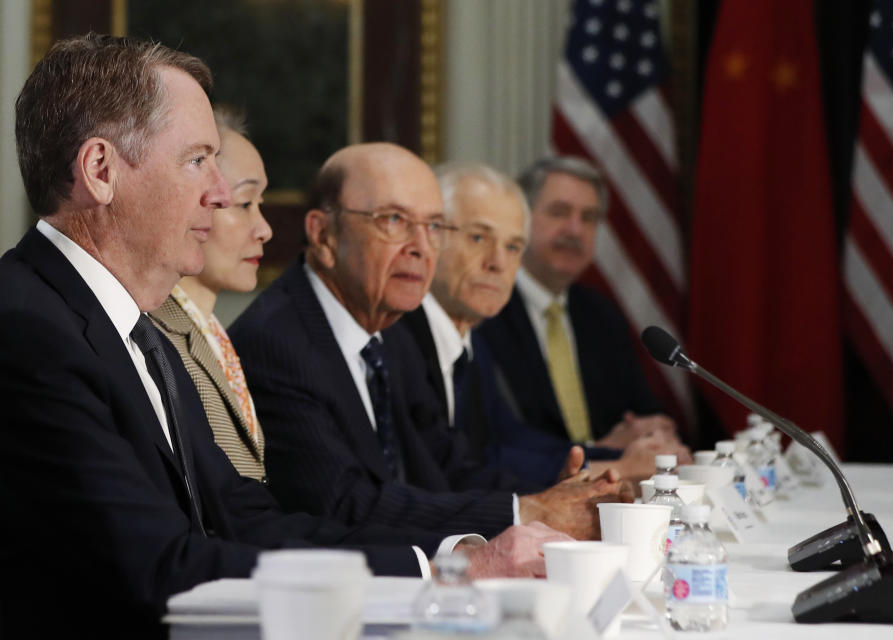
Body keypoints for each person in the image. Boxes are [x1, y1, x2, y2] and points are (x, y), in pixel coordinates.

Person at [0, 35, 563, 637]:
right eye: (197, 160)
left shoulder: (138, 329)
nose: (219, 193)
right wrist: (440, 571)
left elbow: (250, 520)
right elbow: (159, 564)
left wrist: (454, 558)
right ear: (101, 171)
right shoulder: (27, 328)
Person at [230, 143, 631, 545]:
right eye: (394, 220)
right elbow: (345, 504)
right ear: (323, 235)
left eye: (434, 226)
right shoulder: (276, 342)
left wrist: (549, 496)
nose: (421, 247)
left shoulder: (389, 335)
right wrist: (525, 511)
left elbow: (446, 467)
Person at [398, 162, 687, 486]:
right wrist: (610, 468)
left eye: (511, 246)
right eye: (479, 238)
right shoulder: (404, 337)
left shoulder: (597, 314)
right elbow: (464, 468)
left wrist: (634, 449)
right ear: (430, 237)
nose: (497, 262)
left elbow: (502, 439)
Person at [478, 155, 689, 455]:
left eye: (588, 218)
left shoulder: (600, 314)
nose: (575, 230)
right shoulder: (486, 310)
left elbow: (642, 409)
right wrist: (595, 451)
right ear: (520, 219)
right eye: (560, 212)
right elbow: (502, 442)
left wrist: (652, 429)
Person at [150, 107, 270, 482]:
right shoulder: (153, 335)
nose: (264, 229)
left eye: (261, 205)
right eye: (245, 203)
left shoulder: (212, 331)